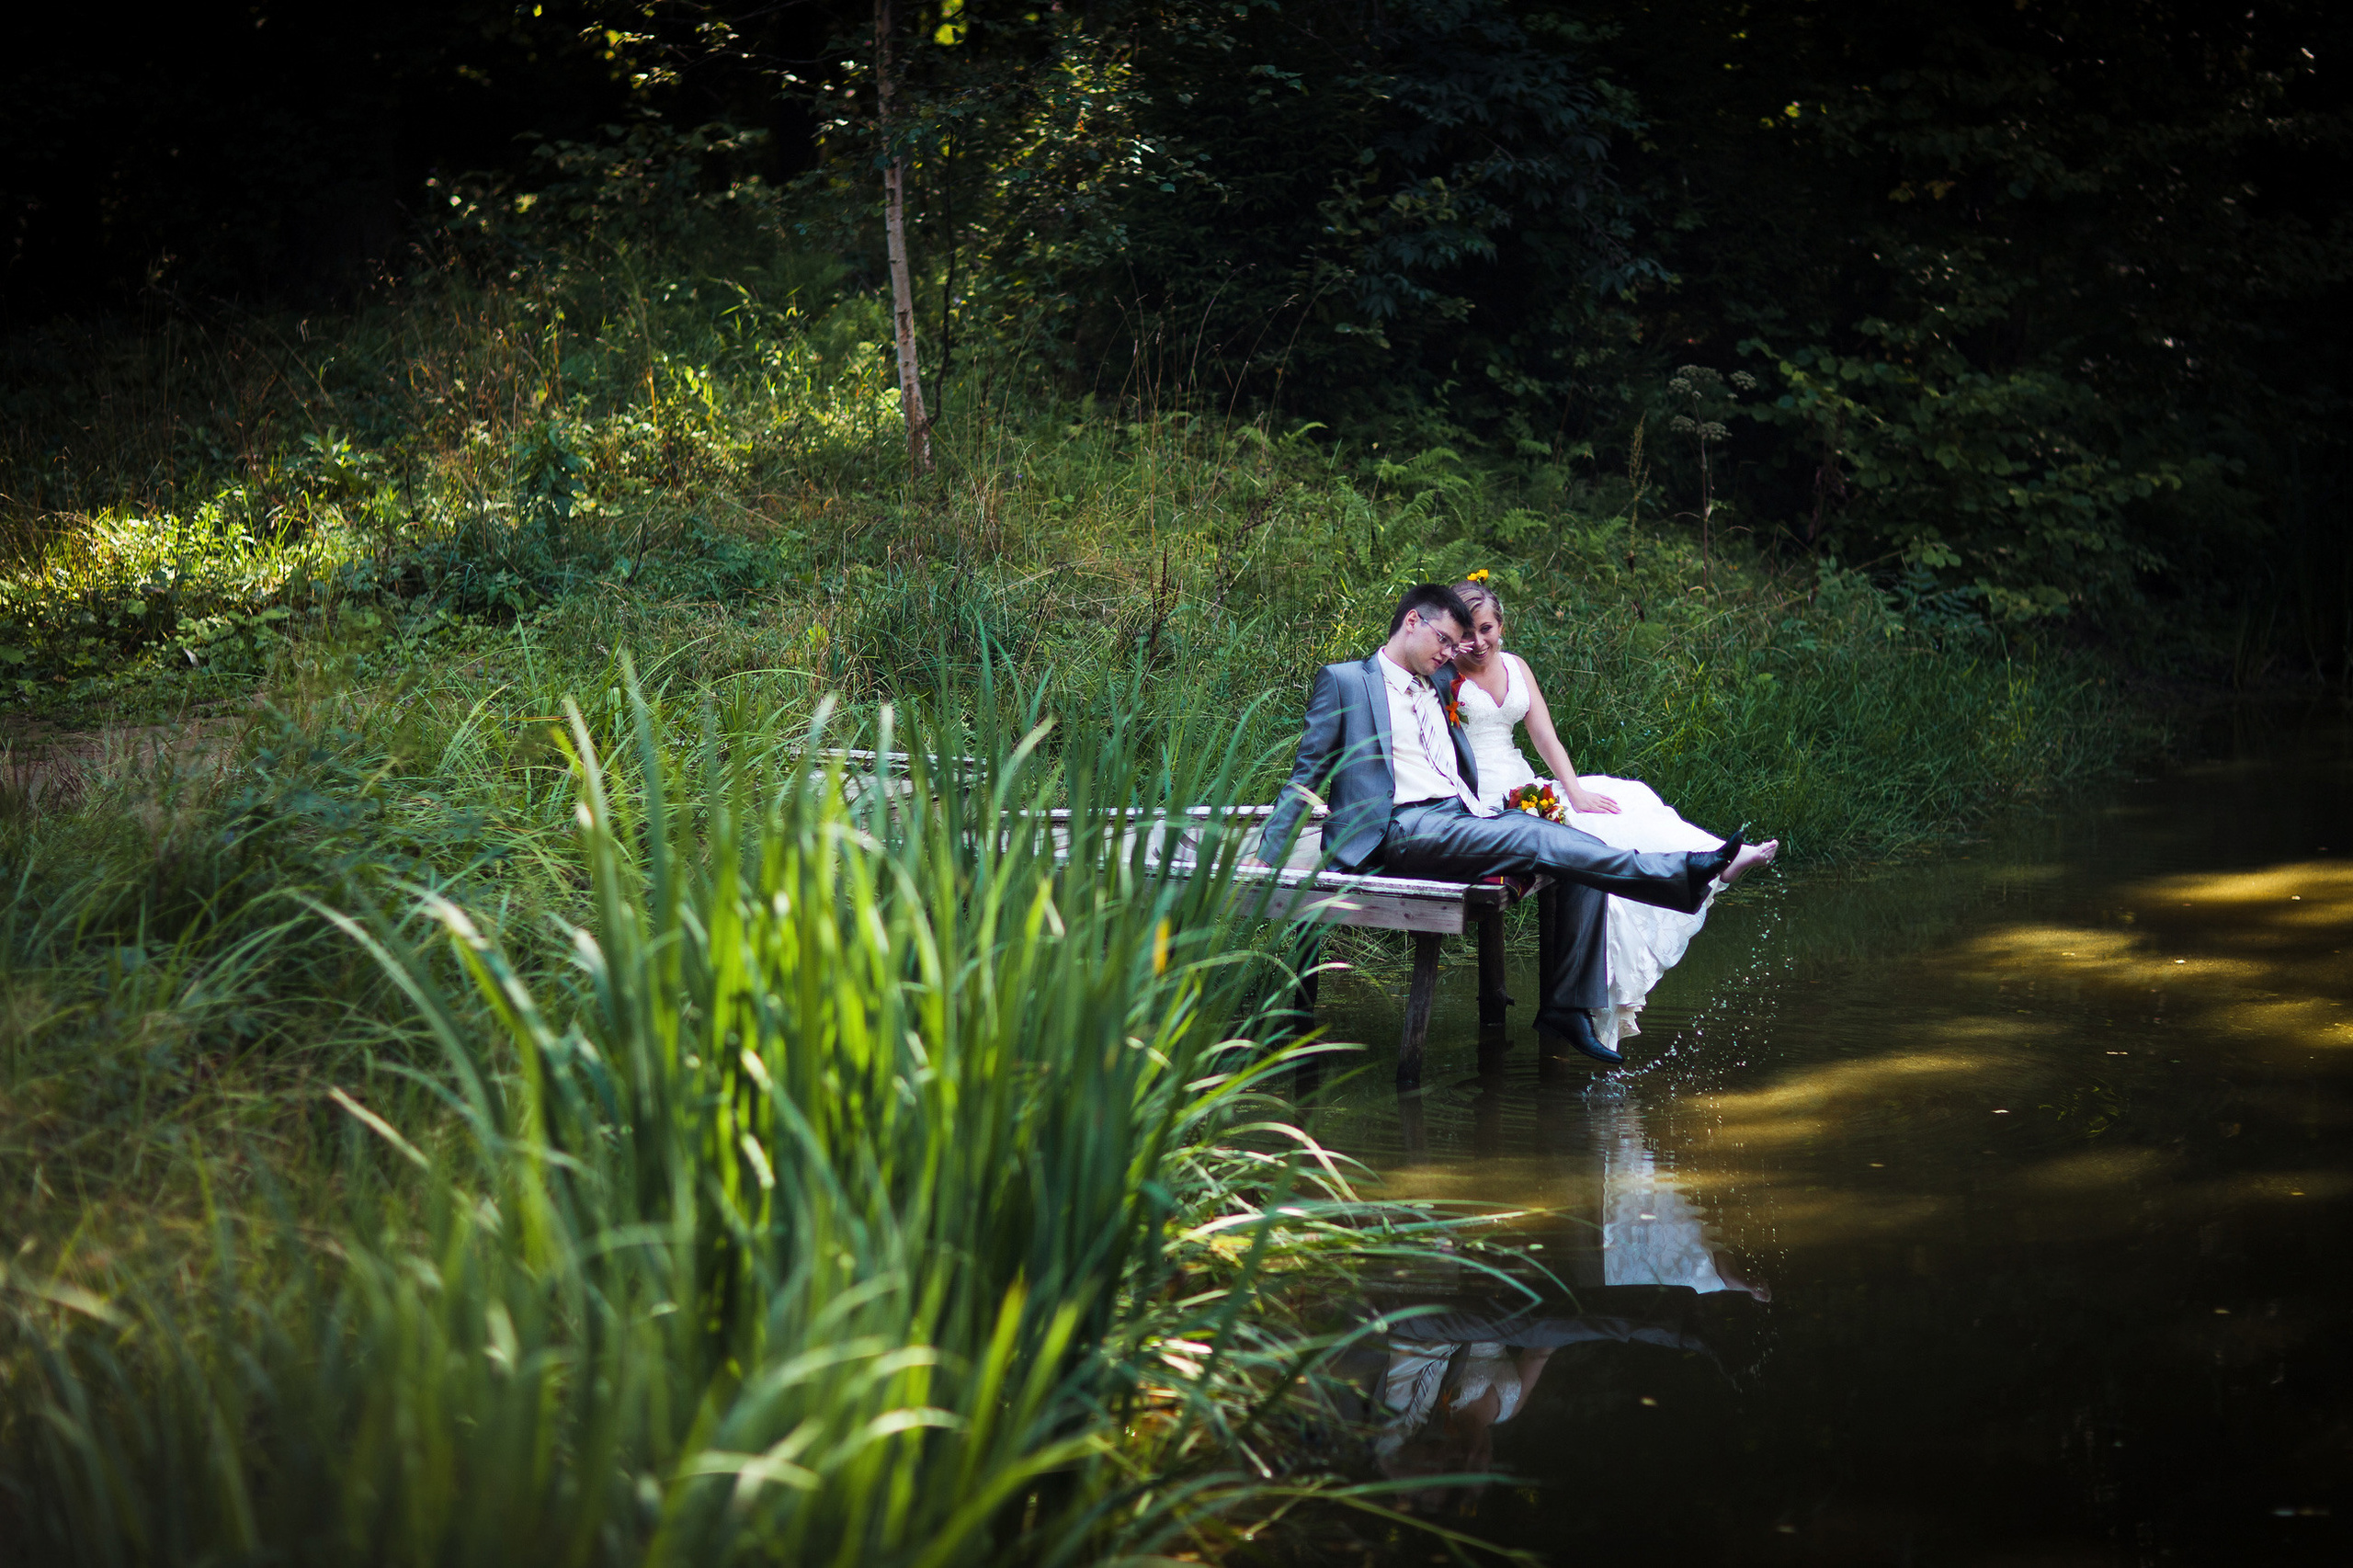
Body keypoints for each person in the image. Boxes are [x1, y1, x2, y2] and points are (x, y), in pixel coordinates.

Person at [1253, 584, 1777, 1064]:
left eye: (1458, 643)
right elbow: (1308, 772)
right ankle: (1687, 874)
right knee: (1535, 835)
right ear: (1411, 621)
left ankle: (1567, 1007)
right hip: (1399, 827)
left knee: (1576, 847)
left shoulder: (1438, 678)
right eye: (1445, 639)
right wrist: (1270, 852)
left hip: (1461, 814)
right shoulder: (1347, 682)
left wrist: (1487, 639)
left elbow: (1490, 668)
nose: (1452, 651)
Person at [1440, 577, 1742, 1051]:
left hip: (1527, 784)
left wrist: (1574, 790)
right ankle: (1698, 870)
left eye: (1486, 629)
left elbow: (1544, 737)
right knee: (1591, 840)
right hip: (1486, 799)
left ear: (1501, 625)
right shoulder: (1443, 676)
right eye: (1466, 633)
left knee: (1630, 798)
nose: (1477, 643)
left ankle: (1709, 856)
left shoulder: (1516, 666)